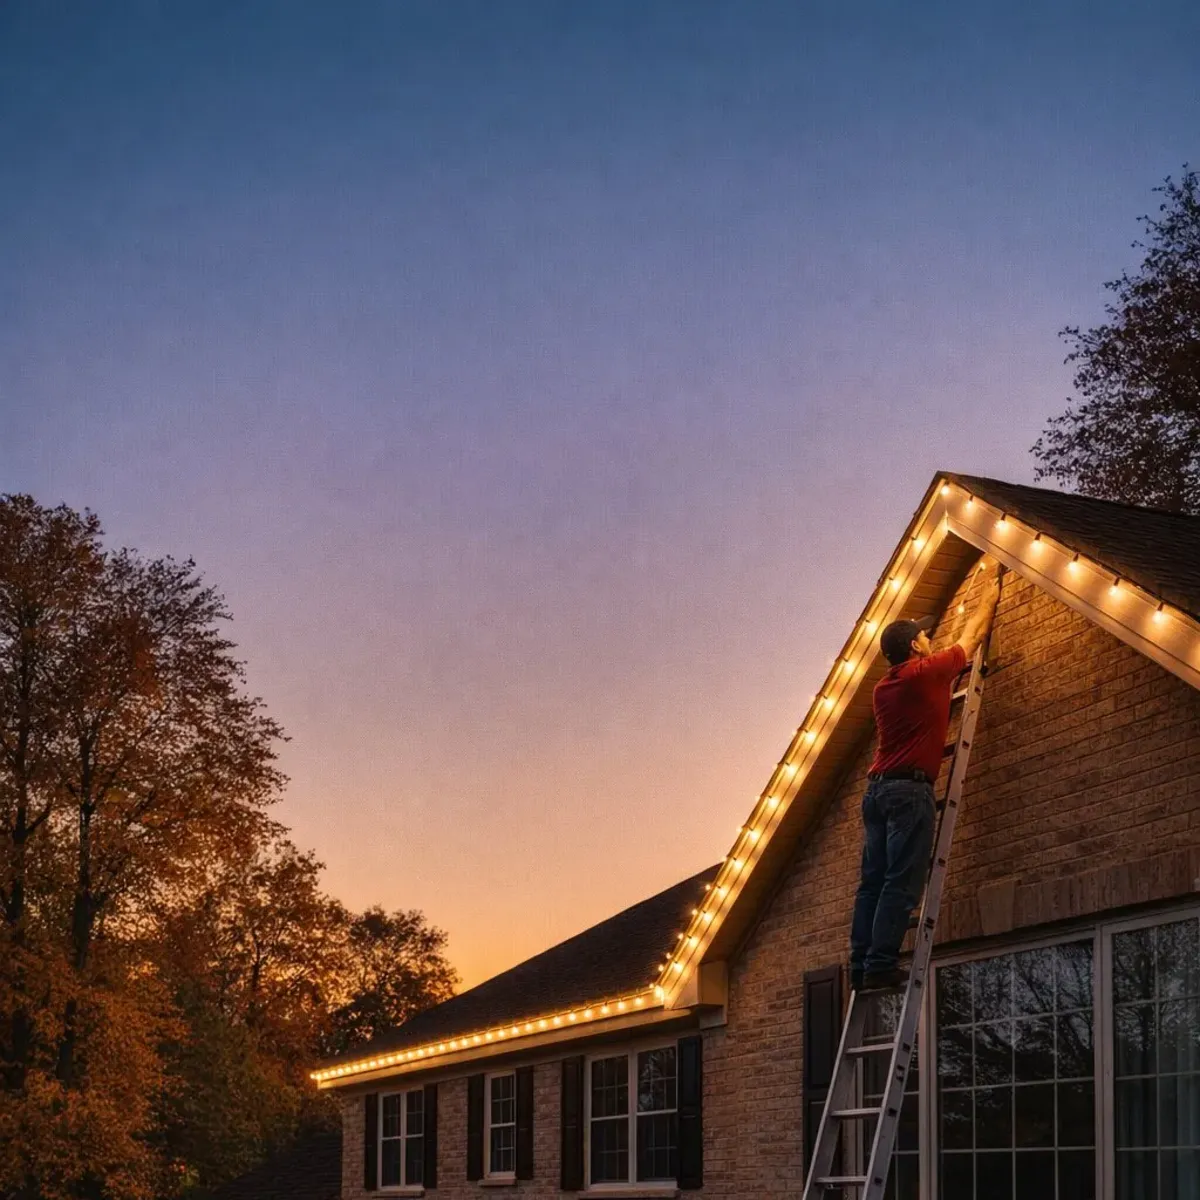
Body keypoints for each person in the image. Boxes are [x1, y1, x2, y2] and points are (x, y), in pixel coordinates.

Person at [850, 561, 1002, 992]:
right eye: (923, 635)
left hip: (876, 792)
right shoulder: (925, 674)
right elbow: (971, 637)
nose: (929, 637)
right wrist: (990, 590)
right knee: (902, 880)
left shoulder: (886, 687)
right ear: (915, 647)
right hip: (907, 792)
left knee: (872, 883)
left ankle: (861, 964)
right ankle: (880, 963)